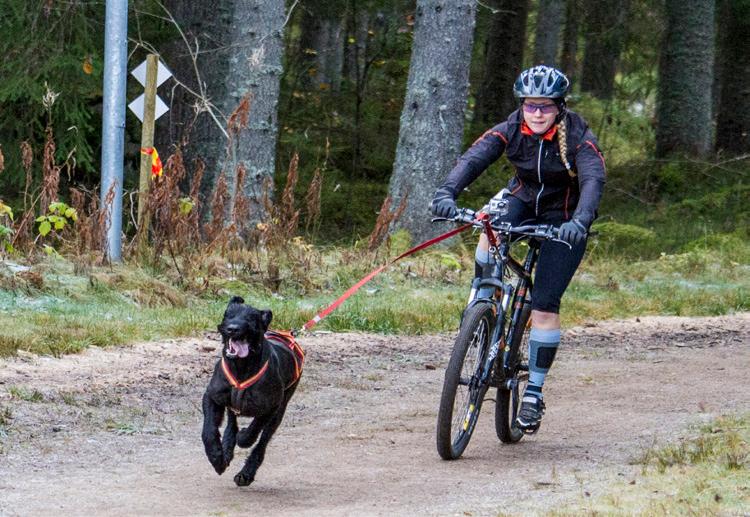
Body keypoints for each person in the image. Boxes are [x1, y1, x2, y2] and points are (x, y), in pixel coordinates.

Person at [431, 65, 606, 432]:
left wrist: (581, 222)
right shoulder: (511, 127)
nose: (537, 113)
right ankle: (482, 301)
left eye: (545, 106)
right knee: (488, 225)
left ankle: (533, 393)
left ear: (560, 107)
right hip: (522, 199)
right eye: (530, 106)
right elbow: (474, 158)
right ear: (522, 106)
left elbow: (592, 180)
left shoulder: (579, 137)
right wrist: (448, 191)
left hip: (565, 218)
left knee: (543, 304)